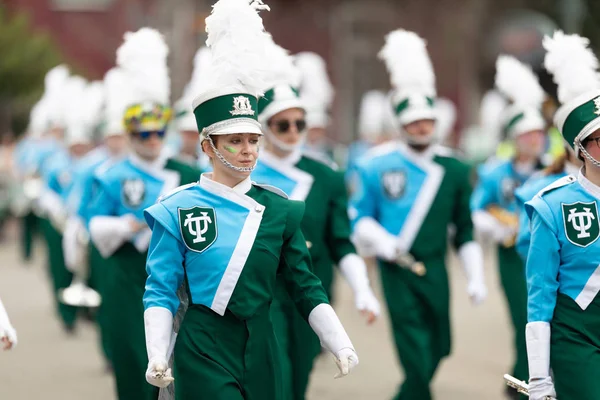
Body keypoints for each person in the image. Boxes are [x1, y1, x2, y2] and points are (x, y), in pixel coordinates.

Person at [142, 1, 358, 399]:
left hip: (263, 343)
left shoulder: (280, 208)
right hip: (203, 343)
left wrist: (339, 340)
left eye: (253, 140)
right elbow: (161, 289)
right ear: (208, 145)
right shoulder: (177, 207)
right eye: (235, 141)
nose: (247, 151)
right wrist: (158, 353)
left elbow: (305, 286)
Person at [350, 29, 486, 400]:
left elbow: (465, 228)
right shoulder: (376, 164)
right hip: (396, 268)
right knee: (412, 344)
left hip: (435, 266)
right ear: (401, 124)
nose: (421, 127)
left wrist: (475, 275)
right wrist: (383, 242)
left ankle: (411, 391)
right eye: (413, 122)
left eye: (426, 120)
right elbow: (358, 216)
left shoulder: (455, 168)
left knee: (440, 343)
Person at [250, 37, 379, 400]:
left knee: (301, 375)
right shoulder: (247, 174)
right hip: (263, 292)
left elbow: (340, 240)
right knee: (277, 373)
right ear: (265, 126)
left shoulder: (328, 177)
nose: (293, 132)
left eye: (299, 123)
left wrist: (363, 290)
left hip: (311, 291)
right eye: (282, 124)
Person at [85, 28, 201, 400]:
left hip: (178, 275)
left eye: (157, 133)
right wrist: (126, 224)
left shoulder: (185, 172)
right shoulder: (111, 174)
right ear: (131, 134)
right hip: (126, 274)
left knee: (178, 357)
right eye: (144, 134)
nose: (152, 140)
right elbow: (95, 224)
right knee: (132, 354)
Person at [525, 31, 600, 400]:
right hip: (577, 334)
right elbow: (540, 292)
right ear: (582, 148)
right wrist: (539, 376)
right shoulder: (552, 204)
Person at [470, 55, 547, 396]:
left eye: (538, 134)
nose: (534, 140)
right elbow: (476, 209)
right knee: (523, 320)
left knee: (547, 320)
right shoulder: (497, 172)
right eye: (527, 135)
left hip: (547, 256)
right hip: (512, 256)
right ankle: (521, 380)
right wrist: (494, 226)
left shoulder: (552, 170)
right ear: (515, 137)